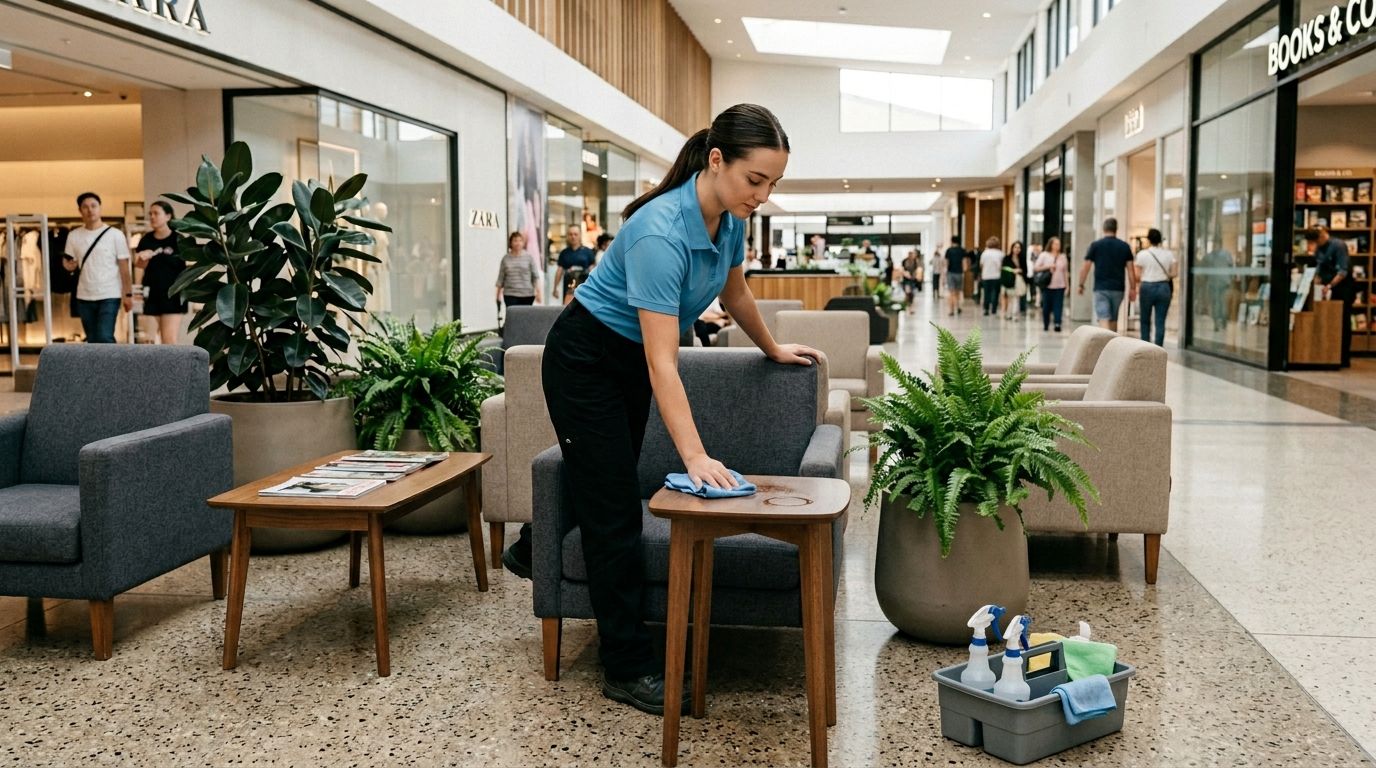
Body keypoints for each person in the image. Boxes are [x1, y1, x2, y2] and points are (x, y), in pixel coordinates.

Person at [501, 104, 819, 716]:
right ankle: (625, 666)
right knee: (616, 503)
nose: (764, 194)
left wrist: (773, 347)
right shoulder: (658, 232)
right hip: (586, 357)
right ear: (717, 160)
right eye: (756, 180)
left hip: (625, 358)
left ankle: (534, 540)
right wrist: (695, 455)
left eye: (774, 183)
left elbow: (736, 291)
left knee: (604, 477)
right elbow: (663, 362)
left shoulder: (728, 219)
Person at [61, 192, 131, 343]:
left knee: (105, 336)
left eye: (94, 206)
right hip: (84, 295)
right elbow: (68, 262)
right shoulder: (74, 236)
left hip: (109, 294)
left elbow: (124, 267)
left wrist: (128, 294)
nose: (90, 210)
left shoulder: (115, 235)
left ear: (100, 208)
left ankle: (112, 367)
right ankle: (96, 367)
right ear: (80, 211)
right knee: (92, 340)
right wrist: (68, 266)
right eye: (85, 207)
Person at [134, 200, 185, 344]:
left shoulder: (178, 239)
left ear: (168, 216)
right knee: (149, 340)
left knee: (168, 340)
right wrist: (144, 257)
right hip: (151, 293)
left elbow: (188, 265)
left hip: (172, 294)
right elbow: (139, 265)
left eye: (156, 213)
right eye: (150, 214)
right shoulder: (146, 239)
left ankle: (172, 367)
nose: (152, 217)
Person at [1078, 217, 1136, 332]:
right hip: (1118, 289)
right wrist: (1133, 288)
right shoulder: (1124, 246)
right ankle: (1112, 346)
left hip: (1101, 288)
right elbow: (1131, 270)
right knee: (1114, 320)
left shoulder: (1096, 245)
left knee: (1104, 318)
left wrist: (1081, 284)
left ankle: (1106, 345)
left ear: (1104, 229)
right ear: (1116, 229)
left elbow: (1086, 267)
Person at [1310, 226, 1353, 367]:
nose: (1315, 245)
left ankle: (1343, 358)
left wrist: (1330, 286)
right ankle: (1329, 354)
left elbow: (1343, 271)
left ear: (1322, 236)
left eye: (1316, 241)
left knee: (1342, 322)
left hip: (1342, 288)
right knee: (1328, 320)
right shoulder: (1319, 248)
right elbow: (1319, 266)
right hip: (1326, 288)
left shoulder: (1338, 246)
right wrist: (1316, 281)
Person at [1134, 228, 1177, 347]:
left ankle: (1145, 348)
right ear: (1160, 240)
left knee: (1145, 320)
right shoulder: (1169, 254)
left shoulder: (1142, 254)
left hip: (1147, 287)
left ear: (1148, 240)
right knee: (1160, 321)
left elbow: (1137, 276)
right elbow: (1174, 273)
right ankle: (1158, 349)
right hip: (1163, 287)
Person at [495, 231, 544, 311]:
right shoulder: (505, 259)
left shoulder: (529, 258)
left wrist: (539, 293)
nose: (518, 243)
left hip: (527, 294)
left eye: (520, 240)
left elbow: (535, 276)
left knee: (525, 318)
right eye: (515, 240)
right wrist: (497, 296)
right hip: (510, 294)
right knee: (513, 317)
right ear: (510, 243)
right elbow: (501, 279)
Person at [1035, 236, 1069, 332]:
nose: (1058, 245)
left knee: (1058, 306)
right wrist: (1048, 266)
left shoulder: (1063, 257)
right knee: (1046, 306)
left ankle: (1057, 323)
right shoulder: (1044, 255)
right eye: (1056, 243)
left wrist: (1067, 285)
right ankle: (1046, 323)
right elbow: (1036, 268)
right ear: (1051, 244)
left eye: (1059, 244)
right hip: (1047, 286)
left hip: (1060, 286)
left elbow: (1065, 272)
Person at [555, 225, 596, 305]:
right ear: (567, 236)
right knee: (567, 309)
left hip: (584, 287)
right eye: (570, 234)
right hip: (568, 287)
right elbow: (559, 271)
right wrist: (555, 288)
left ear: (580, 235)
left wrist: (594, 287)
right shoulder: (564, 253)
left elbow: (593, 270)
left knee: (583, 309)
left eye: (575, 234)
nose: (573, 237)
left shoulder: (588, 252)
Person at [979, 236, 1005, 317]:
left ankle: (986, 309)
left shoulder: (985, 253)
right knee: (995, 293)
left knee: (987, 293)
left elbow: (981, 265)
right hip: (997, 276)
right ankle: (994, 309)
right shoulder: (1001, 253)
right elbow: (1002, 266)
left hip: (986, 276)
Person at [944, 236, 967, 317]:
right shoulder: (962, 250)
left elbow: (946, 263)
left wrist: (945, 272)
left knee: (951, 292)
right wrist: (963, 271)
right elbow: (964, 263)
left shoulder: (948, 250)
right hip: (959, 273)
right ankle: (958, 307)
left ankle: (951, 310)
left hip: (950, 273)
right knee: (957, 292)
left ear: (952, 241)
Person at [1002, 241, 1023, 321]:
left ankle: (1014, 314)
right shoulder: (1007, 258)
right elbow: (1004, 267)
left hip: (1019, 281)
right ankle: (1009, 313)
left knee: (1016, 297)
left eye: (1019, 248)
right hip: (1009, 280)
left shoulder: (1022, 259)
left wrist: (1020, 271)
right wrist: (1013, 270)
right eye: (1015, 247)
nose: (1017, 249)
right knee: (1011, 297)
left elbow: (1025, 270)